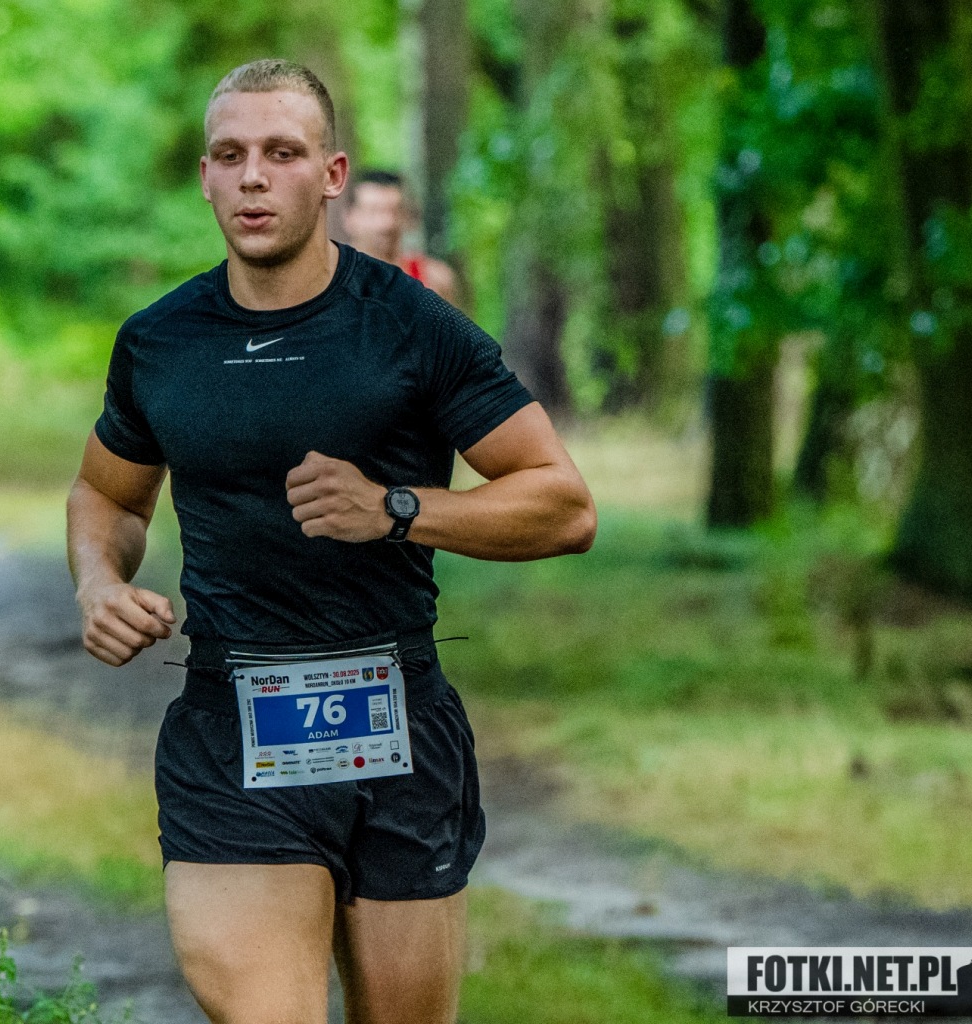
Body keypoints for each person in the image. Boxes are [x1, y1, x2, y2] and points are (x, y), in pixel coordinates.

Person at [66, 58, 595, 1024]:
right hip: (232, 724)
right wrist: (99, 582)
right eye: (230, 155)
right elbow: (108, 493)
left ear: (332, 174)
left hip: (396, 716)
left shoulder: (412, 326)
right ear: (204, 176)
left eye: (282, 153)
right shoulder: (160, 340)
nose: (253, 177)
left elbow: (562, 505)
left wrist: (395, 507)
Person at [341, 168, 462, 306]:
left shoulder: (435, 280)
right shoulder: (331, 282)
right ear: (349, 217)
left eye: (395, 211)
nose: (387, 224)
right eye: (373, 212)